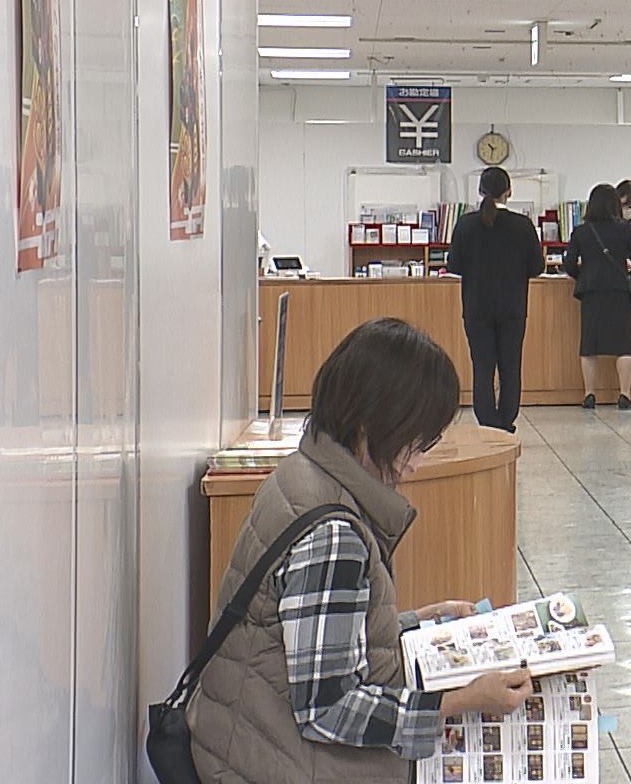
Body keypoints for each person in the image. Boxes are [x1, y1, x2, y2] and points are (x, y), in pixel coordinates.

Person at [188, 319, 533, 781]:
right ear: (372, 424)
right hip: (275, 764)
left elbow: (315, 633)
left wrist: (416, 620)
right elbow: (327, 708)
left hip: (244, 739)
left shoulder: (304, 472)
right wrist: (459, 701)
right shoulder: (333, 534)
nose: (418, 461)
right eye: (416, 441)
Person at [445, 167, 542, 432]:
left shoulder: (466, 224)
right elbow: (537, 266)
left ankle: (487, 421)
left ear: (480, 191)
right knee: (510, 367)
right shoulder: (522, 226)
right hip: (513, 307)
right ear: (509, 192)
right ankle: (506, 419)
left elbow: (454, 265)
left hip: (476, 307)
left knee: (482, 366)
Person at [562, 183, 631, 410]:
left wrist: (582, 275)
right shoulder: (624, 230)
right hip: (618, 292)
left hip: (591, 292)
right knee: (623, 346)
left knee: (589, 345)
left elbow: (568, 264)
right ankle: (624, 395)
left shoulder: (581, 231)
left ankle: (589, 395)